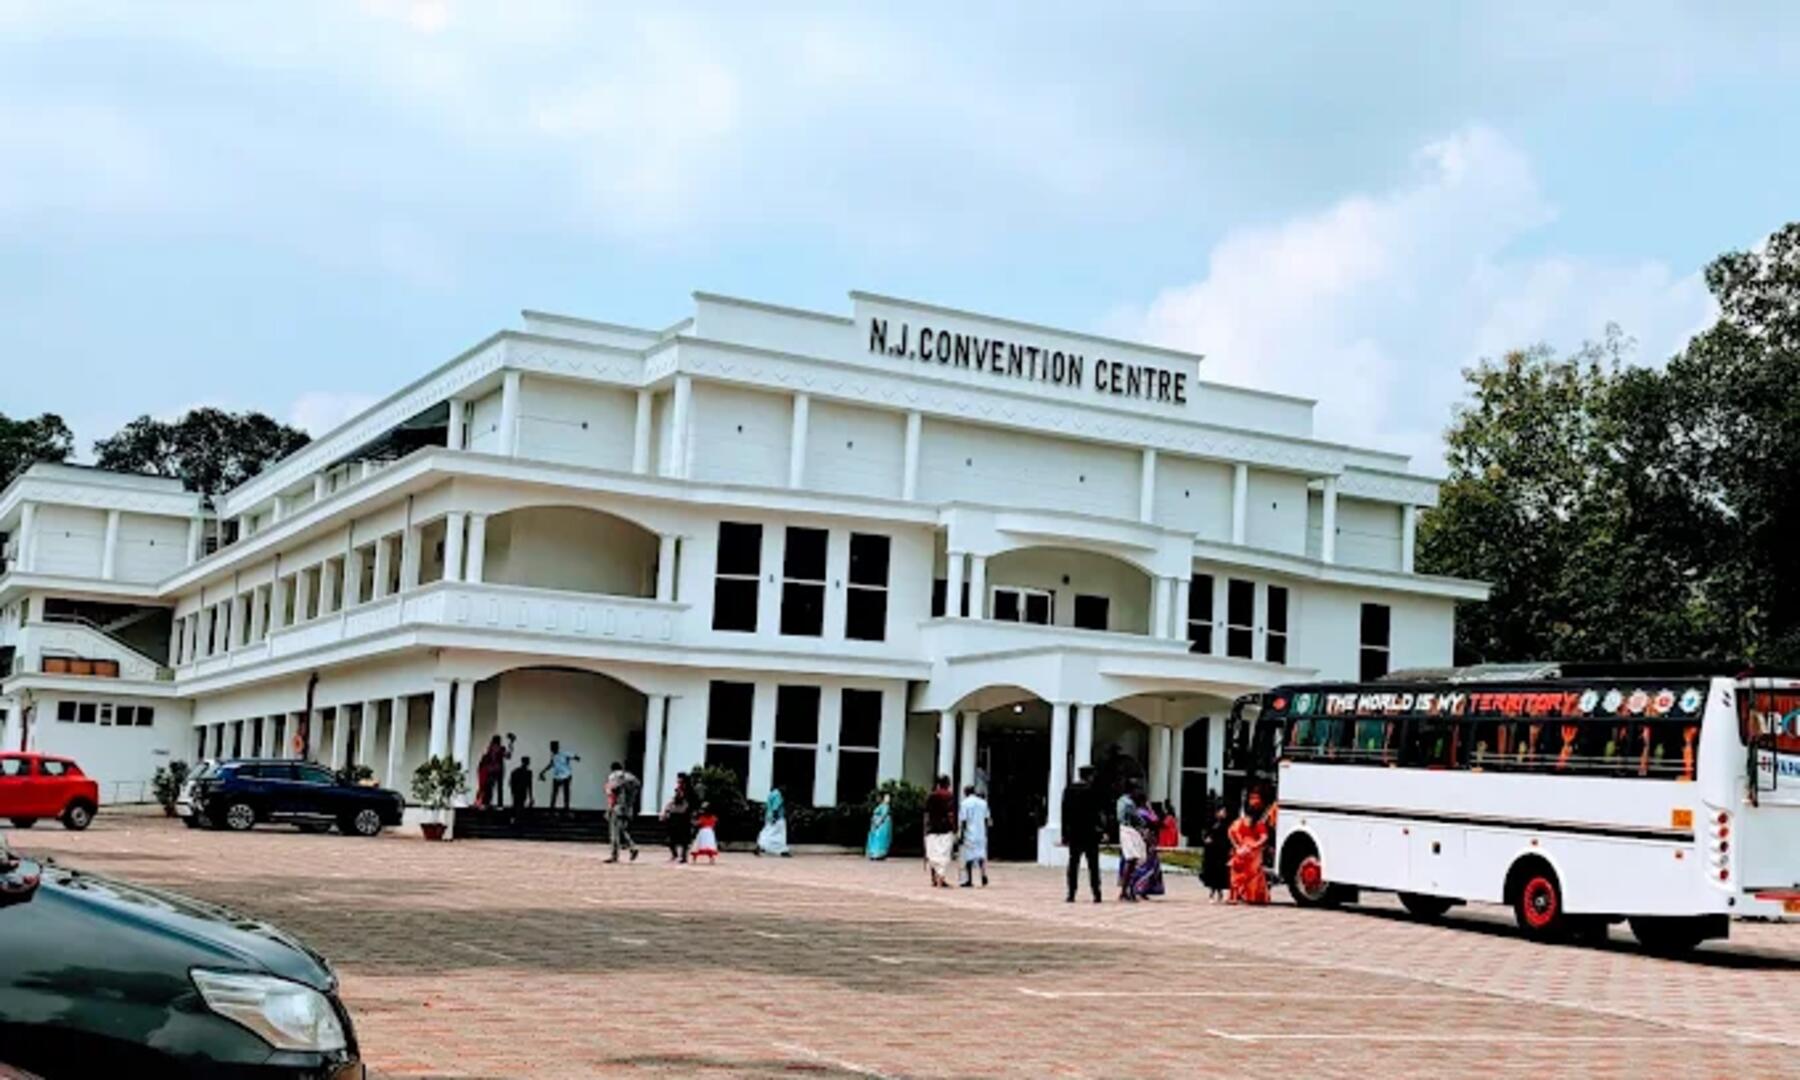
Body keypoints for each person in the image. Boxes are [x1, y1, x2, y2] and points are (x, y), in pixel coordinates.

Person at [1061, 764, 1104, 903]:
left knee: (1073, 863)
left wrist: (1064, 834)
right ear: (1090, 776)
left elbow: (1064, 813)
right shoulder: (1093, 790)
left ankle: (1071, 893)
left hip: (1074, 832)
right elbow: (1097, 812)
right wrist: (1101, 829)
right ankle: (1096, 892)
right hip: (1090, 832)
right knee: (1093, 865)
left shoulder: (1069, 790)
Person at [1228, 789, 1273, 905]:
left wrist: (1238, 846)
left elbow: (1231, 833)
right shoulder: (1258, 824)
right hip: (1252, 852)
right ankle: (1252, 896)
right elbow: (1264, 837)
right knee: (1253, 874)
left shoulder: (1241, 822)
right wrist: (1254, 846)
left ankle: (1236, 895)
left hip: (1243, 850)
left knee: (1238, 873)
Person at [1123, 794, 1165, 901]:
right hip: (1146, 841)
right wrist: (1151, 810)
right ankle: (1140, 888)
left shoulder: (1135, 813)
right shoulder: (1144, 813)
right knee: (1147, 866)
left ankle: (1134, 889)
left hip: (1141, 840)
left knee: (1140, 865)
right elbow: (1156, 821)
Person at [922, 775, 957, 888]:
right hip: (945, 829)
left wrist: (925, 829)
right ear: (948, 784)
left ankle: (934, 878)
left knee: (933, 854)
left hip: (932, 829)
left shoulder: (931, 796)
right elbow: (951, 814)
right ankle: (941, 878)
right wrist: (955, 827)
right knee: (943, 854)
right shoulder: (949, 796)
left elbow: (926, 814)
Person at [604, 761, 640, 863]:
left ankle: (615, 855)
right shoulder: (631, 777)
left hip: (617, 806)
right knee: (622, 829)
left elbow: (612, 793)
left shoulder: (613, 777)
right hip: (628, 807)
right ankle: (632, 846)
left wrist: (609, 808)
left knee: (614, 831)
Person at [958, 784, 991, 887]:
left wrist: (961, 835)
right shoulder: (983, 803)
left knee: (969, 858)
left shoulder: (964, 803)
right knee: (981, 855)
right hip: (981, 833)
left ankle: (969, 879)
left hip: (970, 833)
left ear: (966, 792)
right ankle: (983, 875)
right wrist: (985, 832)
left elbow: (963, 821)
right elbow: (986, 819)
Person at [1115, 787, 1143, 901]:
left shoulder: (1120, 801)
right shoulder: (1129, 803)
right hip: (1129, 830)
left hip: (1124, 830)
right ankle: (1127, 890)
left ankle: (1126, 890)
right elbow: (1137, 818)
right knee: (1132, 859)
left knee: (1131, 859)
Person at [1200, 803, 1231, 902]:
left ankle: (1220, 891)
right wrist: (1206, 839)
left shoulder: (1227, 824)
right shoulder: (1210, 822)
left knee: (1221, 872)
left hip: (1222, 851)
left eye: (1225, 811)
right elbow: (1205, 834)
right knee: (1212, 872)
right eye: (1223, 811)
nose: (1224, 813)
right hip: (1212, 851)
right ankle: (1212, 893)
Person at [539, 741, 580, 812]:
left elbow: (577, 757)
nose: (552, 749)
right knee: (554, 793)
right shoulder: (553, 756)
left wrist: (572, 758)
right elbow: (551, 764)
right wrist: (543, 771)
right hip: (557, 777)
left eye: (553, 747)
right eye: (551, 747)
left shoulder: (564, 754)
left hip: (566, 776)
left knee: (566, 793)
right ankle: (552, 809)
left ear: (557, 747)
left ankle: (566, 809)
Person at [476, 734, 512, 809]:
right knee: (493, 786)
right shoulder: (496, 749)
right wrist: (510, 744)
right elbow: (508, 756)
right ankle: (493, 803)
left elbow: (507, 756)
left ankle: (489, 803)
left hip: (494, 769)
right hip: (496, 769)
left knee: (492, 786)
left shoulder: (492, 748)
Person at [661, 785, 693, 863]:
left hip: (684, 824)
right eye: (677, 791)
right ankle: (675, 855)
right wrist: (664, 815)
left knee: (684, 842)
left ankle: (684, 857)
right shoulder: (672, 802)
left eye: (680, 791)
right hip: (673, 824)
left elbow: (687, 811)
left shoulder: (687, 802)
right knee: (670, 841)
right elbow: (667, 810)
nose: (678, 793)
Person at [757, 787, 790, 856]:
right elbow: (776, 807)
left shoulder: (771, 794)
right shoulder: (778, 795)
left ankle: (762, 846)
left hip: (769, 816)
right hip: (777, 818)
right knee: (779, 834)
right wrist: (775, 817)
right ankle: (781, 850)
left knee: (767, 832)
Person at [865, 792, 893, 861]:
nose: (888, 799)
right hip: (880, 824)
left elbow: (883, 815)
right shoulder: (882, 806)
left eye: (889, 798)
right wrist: (876, 822)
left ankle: (880, 854)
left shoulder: (886, 806)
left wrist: (877, 822)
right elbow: (881, 815)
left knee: (882, 839)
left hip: (883, 824)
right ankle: (875, 854)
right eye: (887, 797)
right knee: (878, 838)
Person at [508, 755, 535, 825]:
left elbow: (511, 783)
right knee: (519, 806)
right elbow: (529, 785)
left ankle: (515, 820)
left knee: (516, 805)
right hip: (521, 791)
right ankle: (517, 820)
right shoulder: (528, 773)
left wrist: (513, 791)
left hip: (517, 791)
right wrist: (531, 796)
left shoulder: (515, 771)